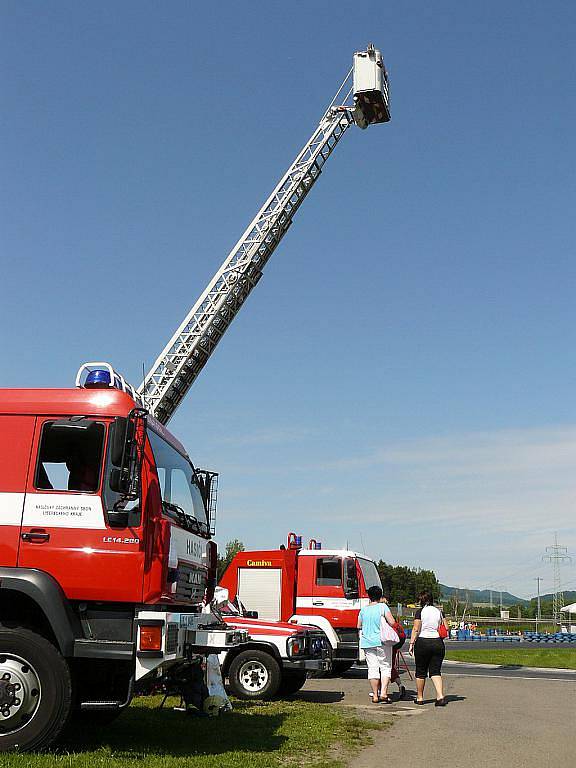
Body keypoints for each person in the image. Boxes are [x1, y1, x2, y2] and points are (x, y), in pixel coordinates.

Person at [358, 585, 398, 703]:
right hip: (382, 641)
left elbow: (358, 625)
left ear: (369, 596)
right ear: (380, 596)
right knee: (385, 666)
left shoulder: (363, 610)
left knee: (372, 668)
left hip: (367, 642)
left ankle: (375, 695)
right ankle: (384, 693)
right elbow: (392, 622)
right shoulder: (382, 607)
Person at [409, 591, 449, 706]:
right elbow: (446, 628)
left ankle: (420, 698)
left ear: (422, 601)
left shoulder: (420, 612)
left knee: (421, 671)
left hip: (423, 642)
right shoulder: (439, 612)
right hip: (437, 642)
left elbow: (416, 629)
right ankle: (440, 696)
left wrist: (411, 644)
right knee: (435, 671)